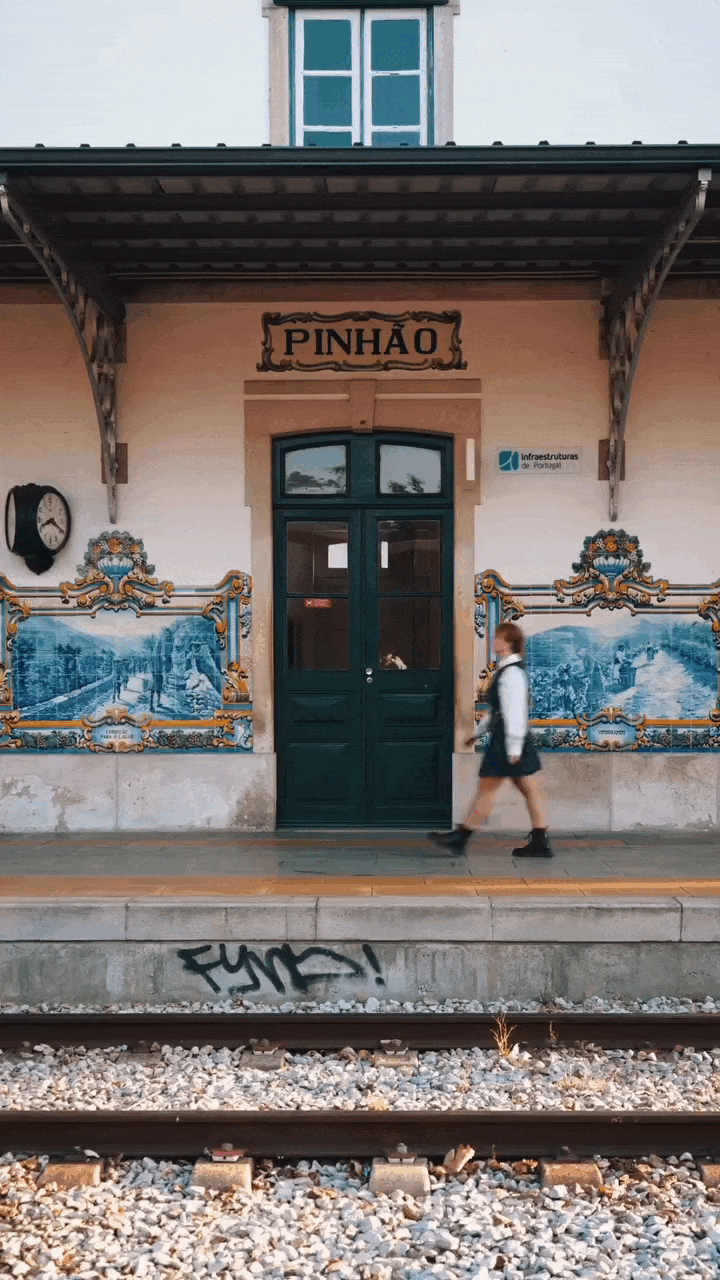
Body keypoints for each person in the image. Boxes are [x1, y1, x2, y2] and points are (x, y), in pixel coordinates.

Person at [428, 621, 552, 858]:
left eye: (498, 638)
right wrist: (478, 732)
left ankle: (461, 837)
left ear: (508, 643)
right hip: (511, 740)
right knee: (528, 789)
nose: (494, 641)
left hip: (508, 741)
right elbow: (498, 710)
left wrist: (513, 748)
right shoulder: (508, 670)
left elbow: (515, 713)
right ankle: (540, 841)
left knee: (488, 789)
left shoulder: (512, 674)